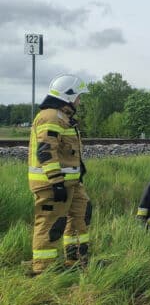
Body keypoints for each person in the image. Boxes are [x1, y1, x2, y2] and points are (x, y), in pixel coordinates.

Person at [27, 74, 91, 275]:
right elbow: (46, 151)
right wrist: (56, 182)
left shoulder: (64, 118)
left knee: (81, 214)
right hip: (51, 184)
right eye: (78, 97)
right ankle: (43, 271)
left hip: (70, 183)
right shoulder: (51, 117)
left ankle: (76, 260)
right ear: (68, 96)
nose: (79, 101)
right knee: (51, 223)